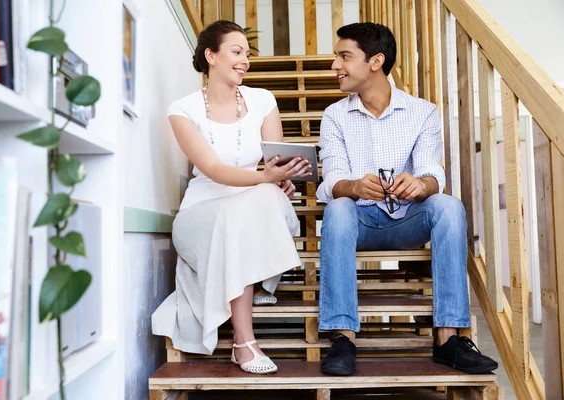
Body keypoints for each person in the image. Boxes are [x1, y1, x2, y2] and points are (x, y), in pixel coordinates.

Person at [316, 22, 498, 376]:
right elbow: (333, 178)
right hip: (360, 222)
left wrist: (422, 184)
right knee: (338, 207)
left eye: (344, 56)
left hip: (408, 221)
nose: (335, 66)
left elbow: (433, 172)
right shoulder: (334, 115)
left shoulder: (422, 112)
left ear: (375, 61)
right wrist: (353, 187)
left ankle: (448, 339)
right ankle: (343, 339)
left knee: (447, 205)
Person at [151, 20, 312, 375]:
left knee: (264, 197)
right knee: (243, 212)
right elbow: (211, 168)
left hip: (255, 206)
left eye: (247, 54)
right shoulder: (183, 109)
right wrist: (265, 178)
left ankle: (244, 340)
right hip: (202, 214)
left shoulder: (262, 100)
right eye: (237, 52)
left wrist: (282, 179)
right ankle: (244, 340)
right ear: (211, 55)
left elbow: (275, 159)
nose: (245, 61)